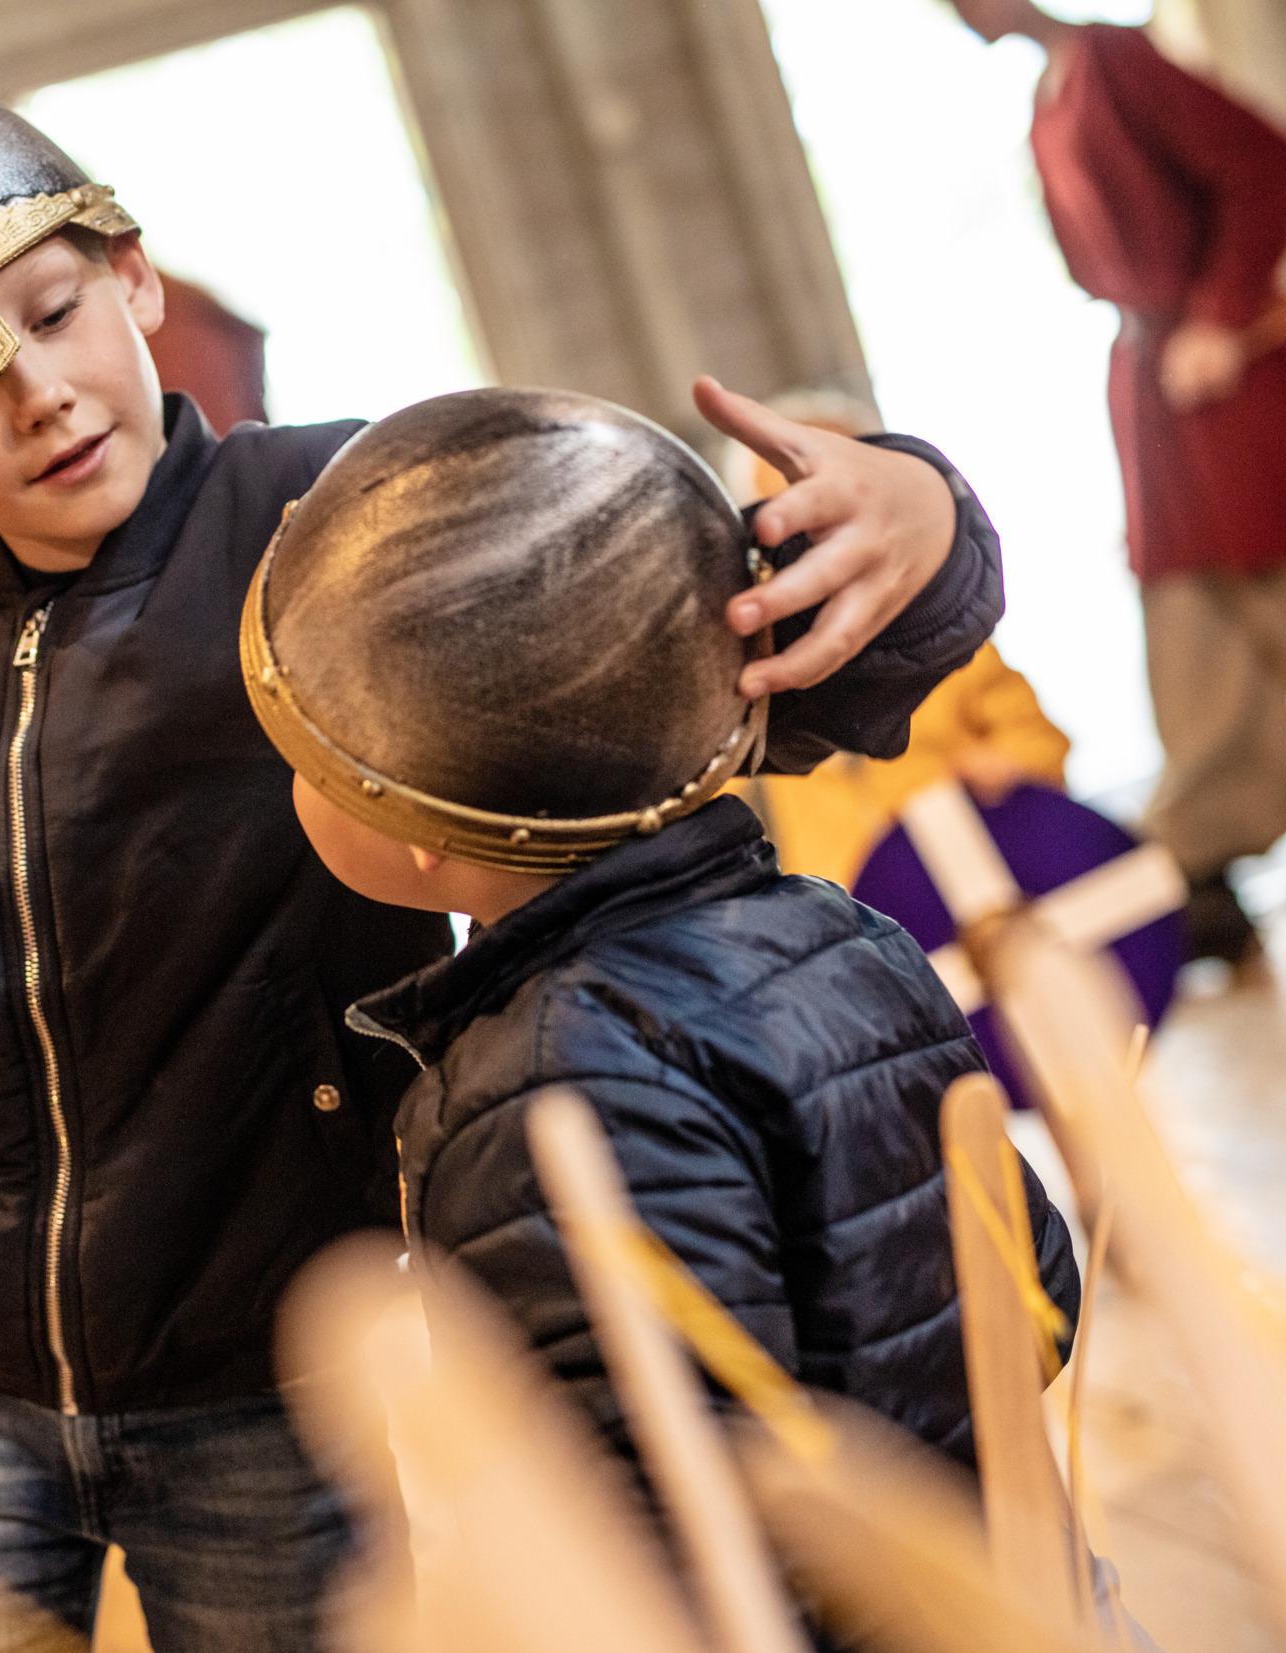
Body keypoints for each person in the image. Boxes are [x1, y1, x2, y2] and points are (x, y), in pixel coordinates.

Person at [0, 75, 1015, 1652]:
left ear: (135, 275)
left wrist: (923, 519)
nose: (35, 394)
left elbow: (672, 659)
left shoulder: (348, 531)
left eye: (56, 312)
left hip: (263, 1371)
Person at [241, 387, 1080, 1577]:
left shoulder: (543, 1089)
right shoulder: (839, 932)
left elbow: (650, 1528)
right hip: (1007, 1575)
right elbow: (1032, 1291)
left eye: (302, 758)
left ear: (422, 825)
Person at [949, 0, 1286, 964]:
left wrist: (1221, 314)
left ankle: (1216, 850)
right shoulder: (1050, 97)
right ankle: (1193, 860)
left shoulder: (1118, 63)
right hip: (1165, 408)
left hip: (1231, 403)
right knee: (1193, 621)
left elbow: (1262, 158)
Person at [721, 392, 1072, 885]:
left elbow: (1040, 743)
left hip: (971, 889)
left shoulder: (944, 646)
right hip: (840, 910)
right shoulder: (741, 682)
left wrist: (1005, 768)